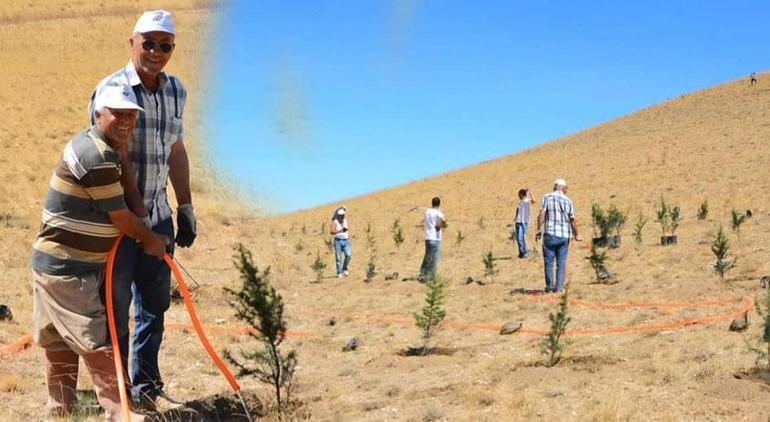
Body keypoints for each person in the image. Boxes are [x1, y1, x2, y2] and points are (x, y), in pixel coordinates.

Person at [31, 85, 167, 420]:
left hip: (59, 265)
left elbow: (133, 208)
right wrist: (151, 240)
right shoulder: (95, 155)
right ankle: (121, 413)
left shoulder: (106, 151)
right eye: (117, 113)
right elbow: (122, 218)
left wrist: (123, 158)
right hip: (67, 267)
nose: (125, 121)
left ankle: (60, 409)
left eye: (131, 115)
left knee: (59, 340)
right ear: (98, 113)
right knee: (95, 340)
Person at [88, 10, 195, 409]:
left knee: (154, 309)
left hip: (159, 217)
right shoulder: (111, 90)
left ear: (172, 49)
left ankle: (145, 389)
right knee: (115, 312)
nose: (155, 51)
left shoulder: (176, 91)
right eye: (147, 42)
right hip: (118, 224)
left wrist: (185, 207)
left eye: (164, 45)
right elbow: (101, 157)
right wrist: (137, 224)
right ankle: (116, 399)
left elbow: (176, 150)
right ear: (131, 42)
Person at [536, 179, 581, 293]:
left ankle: (550, 287)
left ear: (555, 187)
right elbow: (572, 220)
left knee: (549, 262)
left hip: (550, 234)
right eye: (566, 188)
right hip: (564, 236)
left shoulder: (547, 197)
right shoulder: (568, 201)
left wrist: (538, 229)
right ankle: (559, 288)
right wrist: (577, 234)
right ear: (562, 187)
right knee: (561, 263)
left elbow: (541, 214)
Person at [419, 197, 447, 282]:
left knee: (427, 256)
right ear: (439, 204)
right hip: (435, 237)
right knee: (434, 258)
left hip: (428, 237)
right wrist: (441, 225)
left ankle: (423, 274)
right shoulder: (439, 213)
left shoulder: (427, 212)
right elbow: (444, 221)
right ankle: (431, 277)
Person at [330, 206, 351, 278]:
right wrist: (340, 231)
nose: (342, 217)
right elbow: (332, 231)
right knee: (338, 258)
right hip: (338, 241)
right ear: (338, 216)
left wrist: (342, 207)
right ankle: (339, 272)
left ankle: (345, 268)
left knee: (348, 255)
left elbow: (344, 209)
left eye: (343, 216)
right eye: (341, 216)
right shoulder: (335, 221)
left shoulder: (345, 220)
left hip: (346, 240)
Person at [514, 188, 535, 258]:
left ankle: (525, 252)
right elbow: (518, 210)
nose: (518, 196)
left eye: (519, 195)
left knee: (521, 237)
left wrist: (530, 193)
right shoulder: (520, 202)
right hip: (518, 221)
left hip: (524, 221)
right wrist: (515, 217)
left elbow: (534, 201)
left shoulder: (527, 201)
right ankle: (521, 253)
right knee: (518, 238)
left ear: (521, 195)